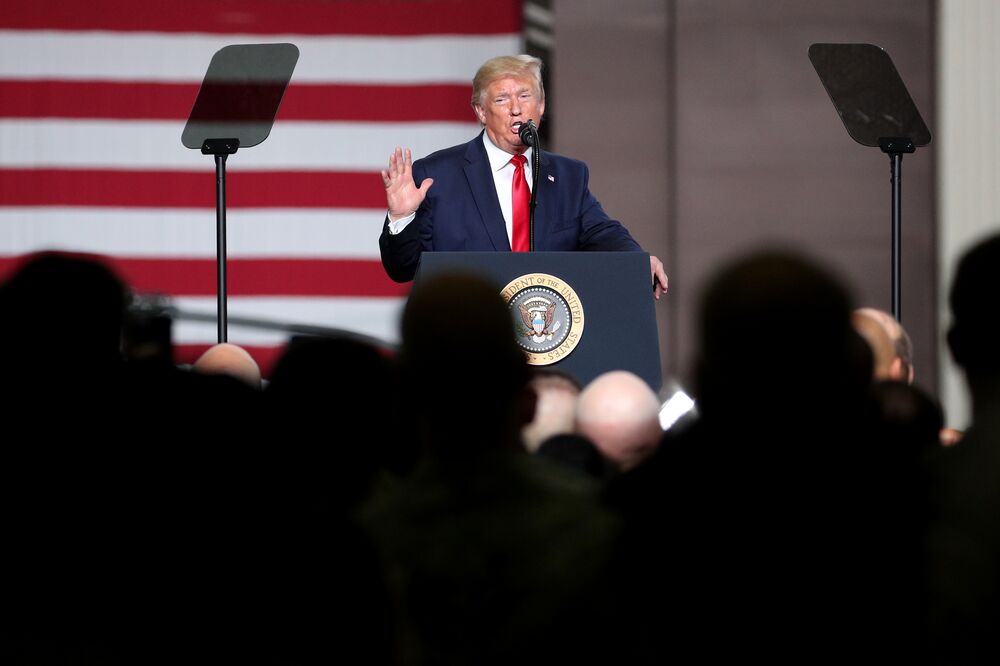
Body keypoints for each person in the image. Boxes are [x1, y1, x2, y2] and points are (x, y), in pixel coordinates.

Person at [379, 54, 668, 296]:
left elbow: (603, 233)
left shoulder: (568, 176)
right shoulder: (437, 175)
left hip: (546, 337)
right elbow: (402, 268)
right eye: (502, 99)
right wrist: (402, 218)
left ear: (541, 106)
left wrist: (637, 261)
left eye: (525, 96)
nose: (516, 109)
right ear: (481, 111)